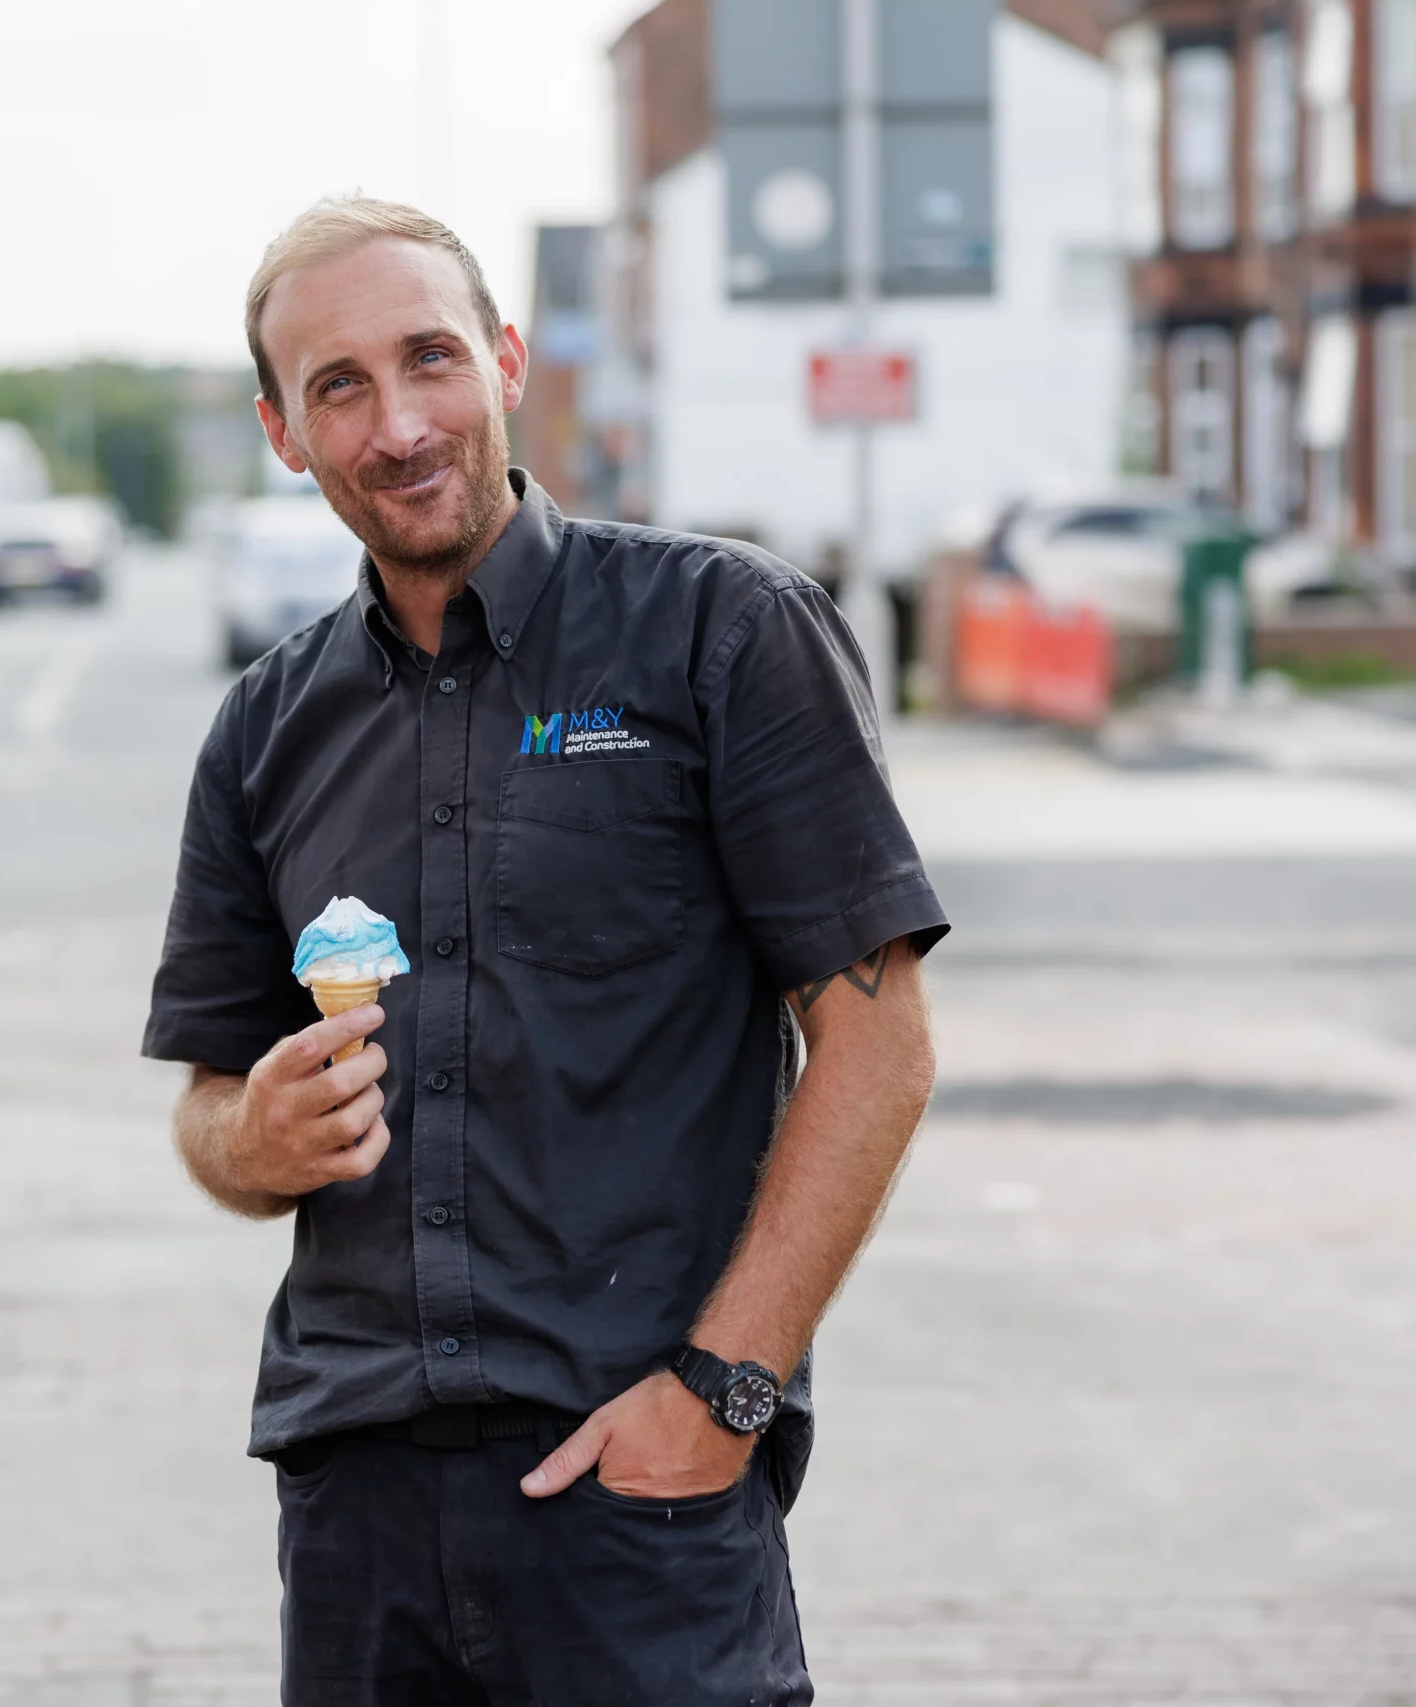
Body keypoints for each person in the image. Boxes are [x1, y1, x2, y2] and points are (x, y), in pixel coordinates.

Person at [144, 197, 944, 1704]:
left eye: (430, 358)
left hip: (638, 1492)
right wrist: (249, 1135)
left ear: (507, 359)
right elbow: (206, 1108)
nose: (397, 423)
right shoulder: (265, 729)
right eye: (338, 387)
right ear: (280, 431)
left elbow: (881, 1042)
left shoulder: (722, 633)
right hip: (355, 1506)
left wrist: (722, 1390)